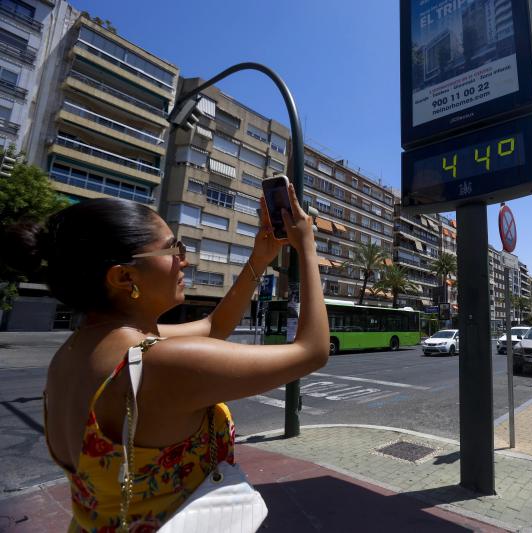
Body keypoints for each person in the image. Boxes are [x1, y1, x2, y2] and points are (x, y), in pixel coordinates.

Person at [3, 184, 328, 532]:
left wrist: (259, 259)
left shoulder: (76, 350)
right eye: (173, 248)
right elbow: (312, 351)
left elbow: (213, 326)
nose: (184, 259)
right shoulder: (159, 362)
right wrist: (306, 247)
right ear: (124, 276)